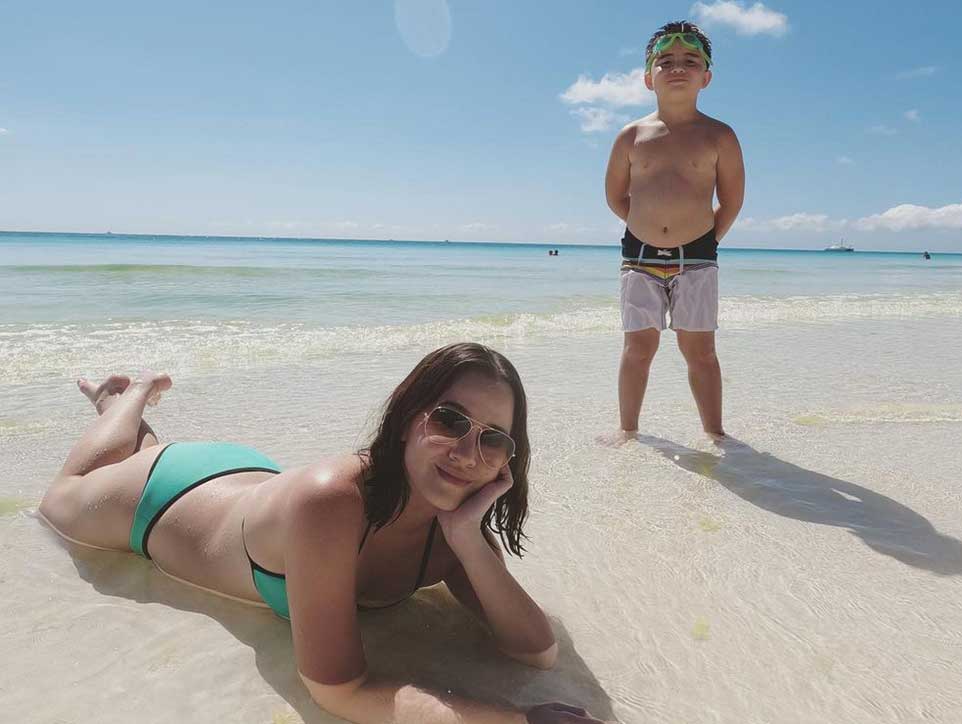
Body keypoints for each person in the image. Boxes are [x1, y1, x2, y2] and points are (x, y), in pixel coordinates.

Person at [39, 343, 605, 724]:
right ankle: (126, 397)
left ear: (508, 460)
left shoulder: (452, 517)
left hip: (255, 483)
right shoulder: (332, 502)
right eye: (451, 420)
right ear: (408, 417)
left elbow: (536, 651)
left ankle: (133, 421)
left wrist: (468, 543)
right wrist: (514, 721)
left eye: (493, 439)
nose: (466, 452)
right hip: (163, 499)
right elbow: (338, 691)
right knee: (65, 494)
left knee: (131, 456)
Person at [602, 21, 745, 445]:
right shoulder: (632, 136)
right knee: (637, 350)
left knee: (700, 353)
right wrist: (646, 226)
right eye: (665, 61)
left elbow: (731, 200)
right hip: (639, 258)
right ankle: (628, 430)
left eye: (690, 61)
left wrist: (705, 239)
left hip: (697, 257)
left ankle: (715, 433)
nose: (677, 68)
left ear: (707, 77)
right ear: (649, 77)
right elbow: (615, 196)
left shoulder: (719, 135)